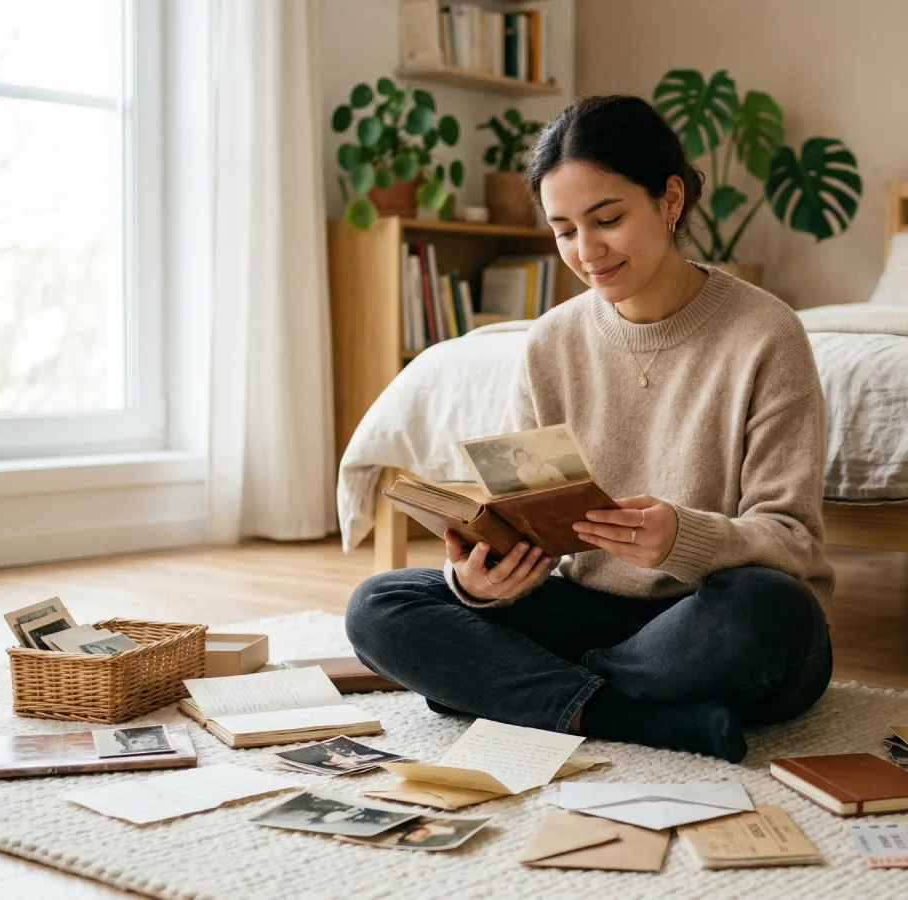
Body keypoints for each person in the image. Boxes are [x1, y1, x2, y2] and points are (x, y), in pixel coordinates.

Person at [346, 94, 834, 763]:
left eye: (607, 220)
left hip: (709, 616)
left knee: (776, 612)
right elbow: (529, 519)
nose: (587, 251)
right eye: (565, 230)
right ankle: (636, 717)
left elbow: (792, 540)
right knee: (379, 605)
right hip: (587, 605)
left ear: (668, 199)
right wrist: (483, 581)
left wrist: (681, 538)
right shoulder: (550, 342)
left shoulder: (765, 332)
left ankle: (516, 690)